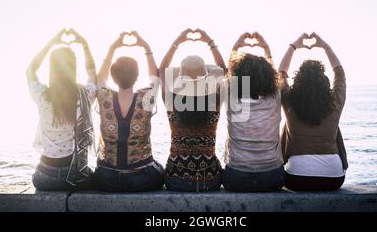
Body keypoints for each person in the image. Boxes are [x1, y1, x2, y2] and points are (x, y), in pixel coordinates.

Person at [27, 29, 97, 191]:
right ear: (73, 68)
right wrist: (84, 44)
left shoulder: (42, 95)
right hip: (74, 176)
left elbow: (30, 70)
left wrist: (51, 43)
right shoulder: (84, 95)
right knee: (94, 175)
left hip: (45, 177)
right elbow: (92, 73)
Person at [94, 31, 164, 192]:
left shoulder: (104, 97)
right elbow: (155, 77)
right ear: (137, 76)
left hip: (106, 178)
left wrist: (113, 48)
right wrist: (145, 47)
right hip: (141, 179)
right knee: (160, 169)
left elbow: (100, 79)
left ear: (113, 76)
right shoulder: (145, 98)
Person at [278, 32, 348, 191]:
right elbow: (340, 74)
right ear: (324, 81)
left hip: (296, 179)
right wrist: (325, 47)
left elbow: (281, 74)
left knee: (286, 125)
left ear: (298, 80)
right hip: (334, 179)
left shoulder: (289, 101)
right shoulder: (335, 102)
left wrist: (294, 46)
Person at [159, 29, 226, 192]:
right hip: (209, 179)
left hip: (176, 178)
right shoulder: (214, 101)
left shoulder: (172, 101)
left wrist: (177, 42)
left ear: (180, 76)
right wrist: (209, 41)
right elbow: (223, 70)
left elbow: (162, 70)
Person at [222, 32, 284, 192]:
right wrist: (266, 49)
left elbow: (229, 71)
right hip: (272, 177)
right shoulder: (275, 96)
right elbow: (276, 76)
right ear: (270, 77)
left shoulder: (231, 93)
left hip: (236, 177)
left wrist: (236, 46)